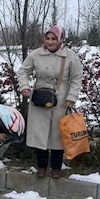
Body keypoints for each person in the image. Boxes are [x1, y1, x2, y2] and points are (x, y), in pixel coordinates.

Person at [17, 25, 83, 179]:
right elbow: (23, 71)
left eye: (54, 39)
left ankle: (56, 167)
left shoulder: (70, 56)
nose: (50, 42)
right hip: (40, 98)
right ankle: (41, 166)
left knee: (57, 134)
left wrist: (71, 97)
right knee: (39, 133)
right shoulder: (35, 55)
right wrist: (25, 87)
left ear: (60, 39)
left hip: (61, 99)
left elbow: (76, 78)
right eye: (48, 38)